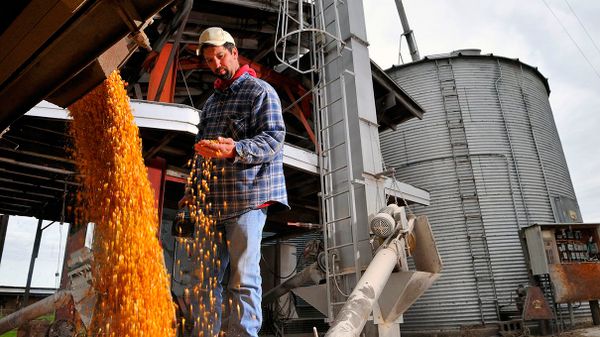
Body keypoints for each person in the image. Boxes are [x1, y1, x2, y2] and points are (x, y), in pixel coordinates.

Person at [187, 26, 289, 337]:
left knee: (243, 278)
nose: (216, 64)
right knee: (202, 280)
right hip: (211, 203)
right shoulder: (211, 104)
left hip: (247, 200)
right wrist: (192, 190)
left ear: (233, 53)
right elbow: (203, 152)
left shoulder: (260, 92)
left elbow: (274, 139)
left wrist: (236, 149)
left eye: (220, 56)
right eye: (209, 60)